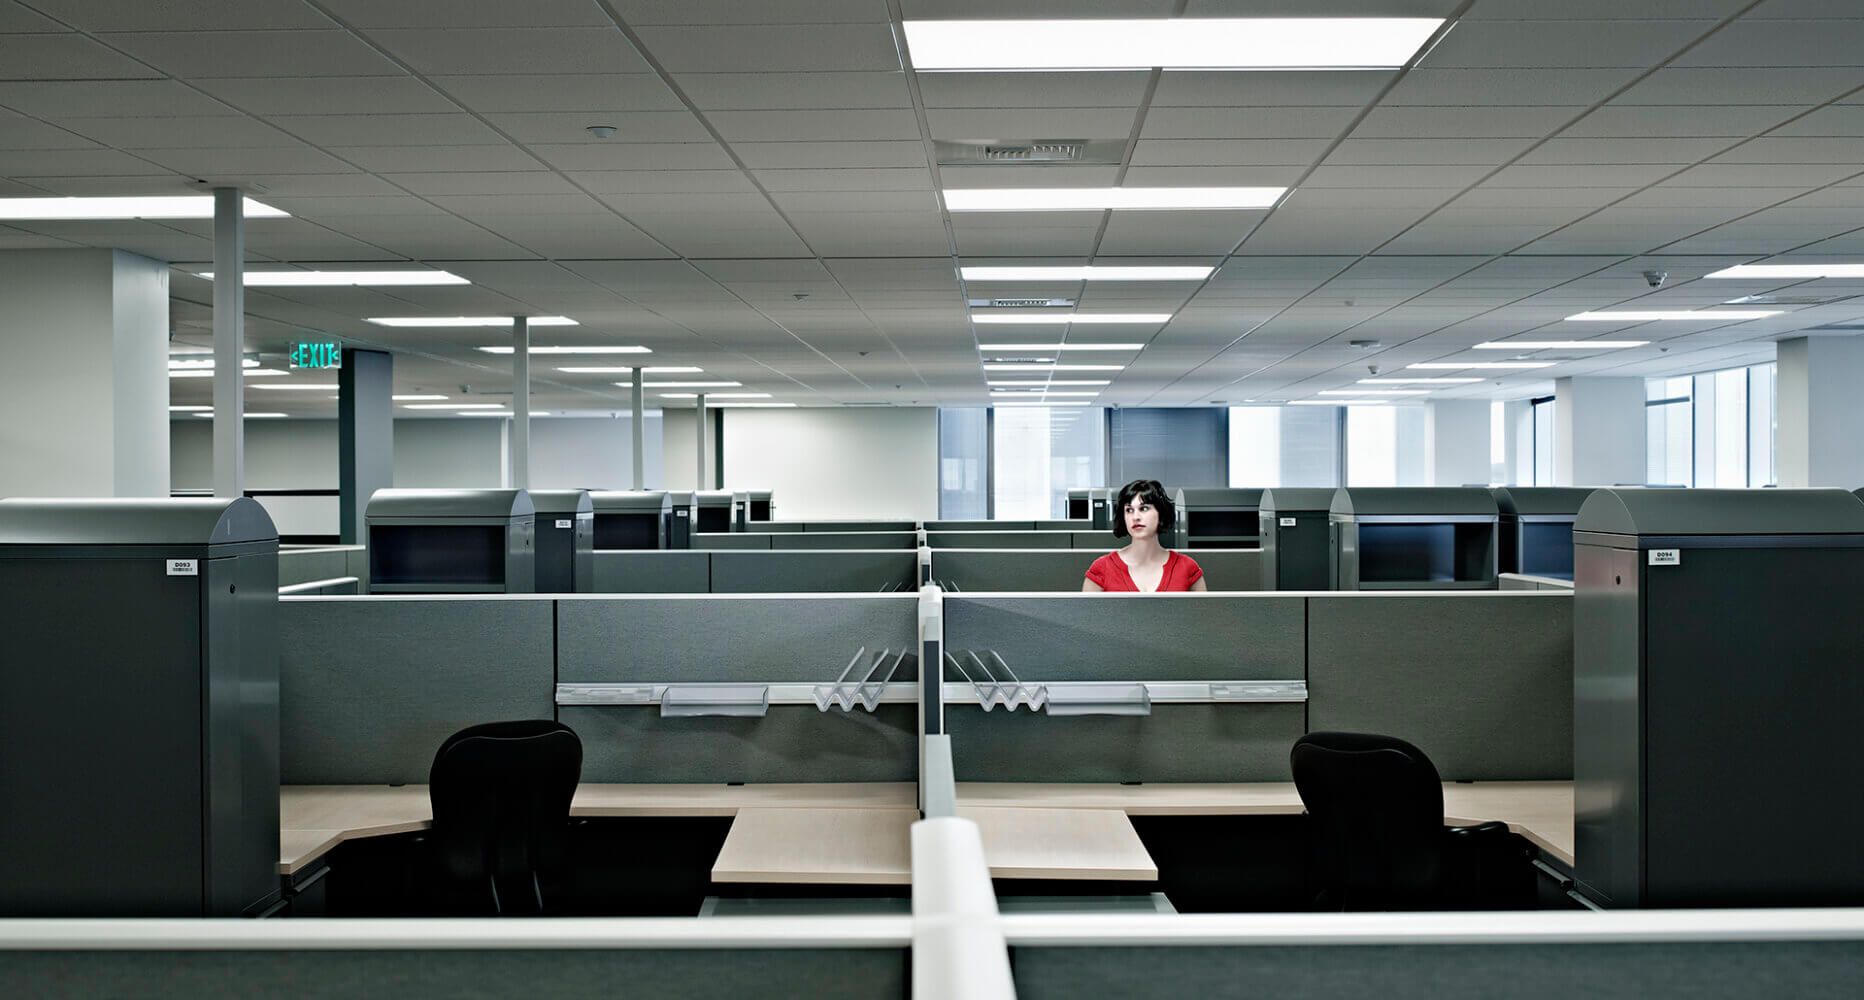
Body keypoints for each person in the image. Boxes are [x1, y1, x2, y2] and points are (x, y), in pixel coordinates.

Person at [1082, 479, 1207, 593]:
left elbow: (1204, 616)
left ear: (1161, 514)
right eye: (1129, 510)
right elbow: (1085, 617)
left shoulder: (1187, 568)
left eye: (1144, 508)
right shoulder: (1102, 568)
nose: (1135, 517)